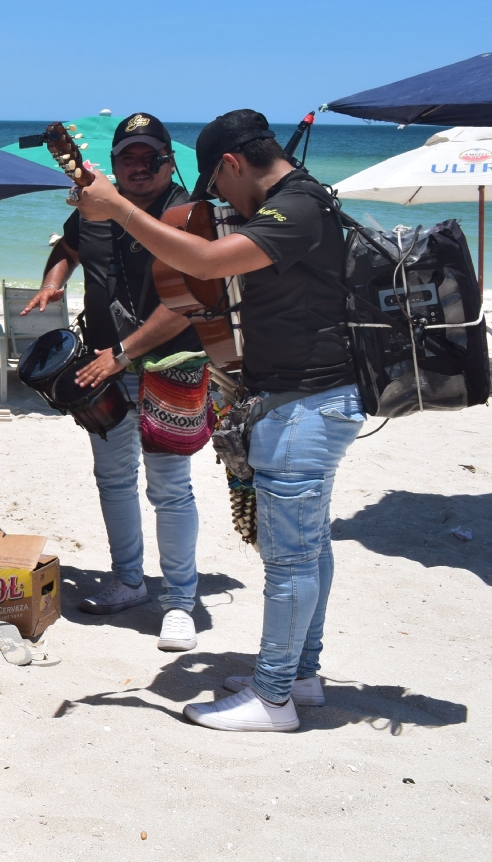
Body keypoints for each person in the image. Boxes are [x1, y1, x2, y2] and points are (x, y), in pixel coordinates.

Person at [73, 109, 362, 733]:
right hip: (302, 400)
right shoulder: (296, 201)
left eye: (216, 186)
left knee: (290, 561)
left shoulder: (299, 205)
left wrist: (123, 211)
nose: (218, 202)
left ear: (230, 164)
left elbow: (205, 263)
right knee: (309, 549)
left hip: (308, 405)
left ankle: (274, 697)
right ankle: (300, 676)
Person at [20, 113, 203, 653]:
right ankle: (128, 580)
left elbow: (188, 301)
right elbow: (68, 249)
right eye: (129, 157)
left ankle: (180, 601)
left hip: (169, 365)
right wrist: (53, 284)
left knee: (170, 488)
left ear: (170, 161)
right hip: (102, 368)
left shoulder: (188, 215)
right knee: (114, 479)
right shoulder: (94, 207)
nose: (140, 167)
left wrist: (123, 354)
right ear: (116, 161)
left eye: (151, 157)